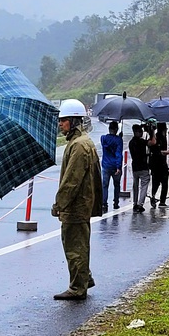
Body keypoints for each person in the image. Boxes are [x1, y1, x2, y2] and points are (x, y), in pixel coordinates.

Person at [51, 99, 102, 301]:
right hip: (82, 204)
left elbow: (71, 181)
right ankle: (84, 278)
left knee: (75, 248)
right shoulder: (82, 142)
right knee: (79, 244)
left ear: (73, 121)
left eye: (63, 120)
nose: (60, 124)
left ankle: (77, 287)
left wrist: (58, 205)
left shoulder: (79, 146)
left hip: (76, 206)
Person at [100, 120, 123, 213]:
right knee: (116, 185)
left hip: (106, 165)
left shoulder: (103, 138)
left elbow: (106, 143)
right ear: (117, 129)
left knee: (105, 186)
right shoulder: (118, 140)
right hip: (115, 166)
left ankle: (104, 204)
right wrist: (118, 166)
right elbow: (118, 154)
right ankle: (116, 203)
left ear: (109, 129)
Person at [149, 122, 169, 208]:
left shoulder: (154, 137)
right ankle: (162, 201)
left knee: (155, 182)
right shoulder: (160, 138)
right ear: (164, 129)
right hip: (161, 164)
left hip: (154, 164)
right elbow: (160, 152)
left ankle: (153, 196)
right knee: (164, 183)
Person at [128, 123, 152, 213]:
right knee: (144, 185)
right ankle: (140, 204)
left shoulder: (131, 143)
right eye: (140, 131)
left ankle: (134, 203)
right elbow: (151, 143)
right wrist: (151, 132)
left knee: (135, 186)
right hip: (143, 166)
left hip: (135, 167)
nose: (142, 133)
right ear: (136, 132)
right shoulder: (141, 142)